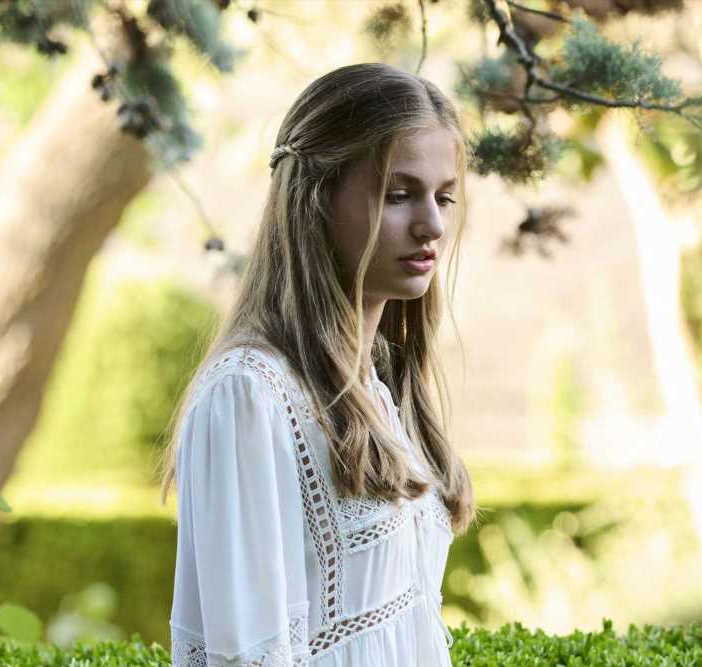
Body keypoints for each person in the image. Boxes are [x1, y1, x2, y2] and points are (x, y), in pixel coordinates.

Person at [158, 62, 478, 666]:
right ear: (316, 199)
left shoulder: (380, 395)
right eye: (398, 194)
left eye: (444, 197)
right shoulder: (250, 396)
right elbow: (248, 656)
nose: (432, 224)